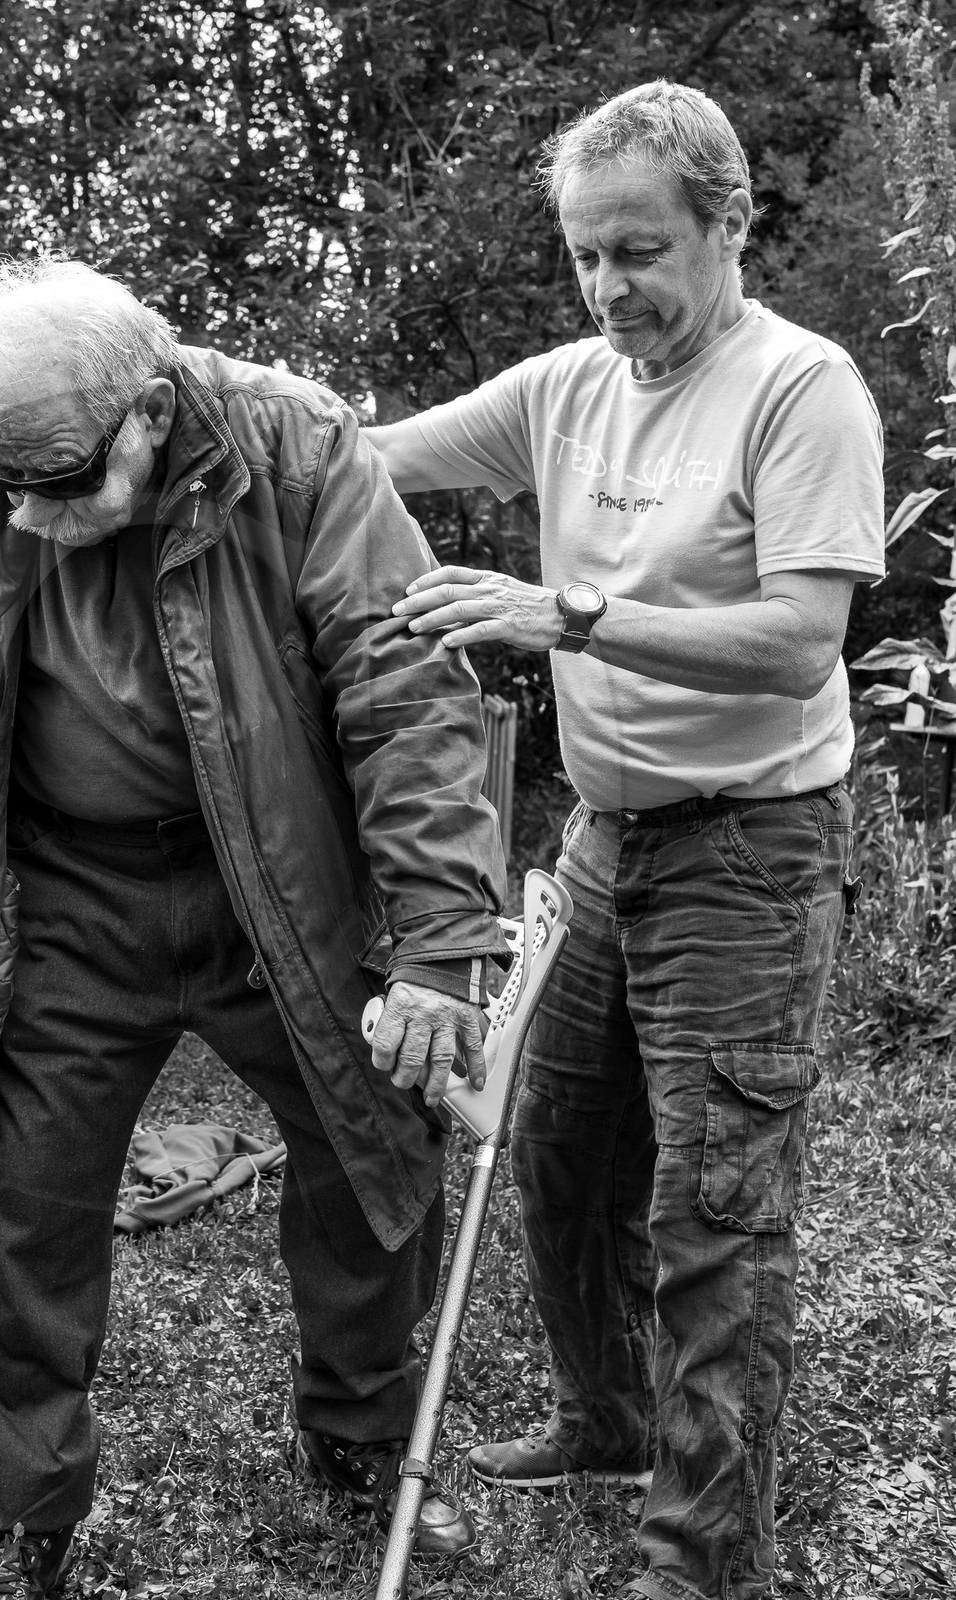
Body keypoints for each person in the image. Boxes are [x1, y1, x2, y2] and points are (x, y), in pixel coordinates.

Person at [0, 258, 509, 1596]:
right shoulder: (5, 492)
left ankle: (359, 1438)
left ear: (147, 405)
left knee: (372, 1153)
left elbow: (404, 692)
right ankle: (24, 1507)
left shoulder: (296, 449)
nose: (33, 510)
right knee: (28, 1193)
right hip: (70, 901)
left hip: (277, 886)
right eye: (11, 479)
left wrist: (435, 943)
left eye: (63, 478)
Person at [364, 80, 885, 1600]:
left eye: (642, 250)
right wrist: (178, 385)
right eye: (588, 255)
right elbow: (364, 454)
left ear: (729, 225)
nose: (611, 289)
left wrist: (565, 613)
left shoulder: (804, 389)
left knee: (714, 1206)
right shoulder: (562, 388)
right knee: (561, 1150)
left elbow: (799, 646)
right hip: (606, 840)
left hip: (755, 848)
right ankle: (605, 1415)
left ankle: (700, 1557)